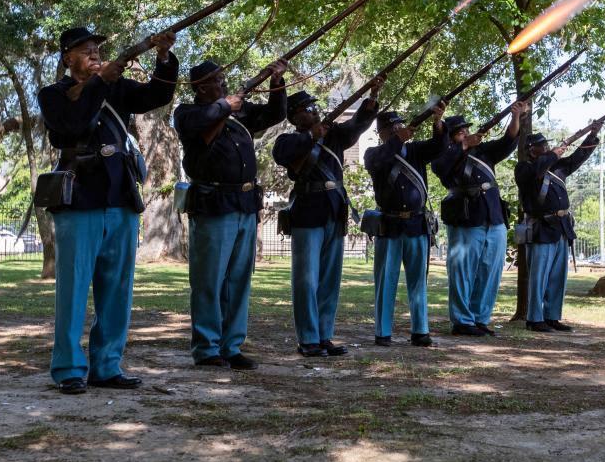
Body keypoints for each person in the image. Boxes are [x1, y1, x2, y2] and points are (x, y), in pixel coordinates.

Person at [37, 26, 178, 394]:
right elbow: (73, 122)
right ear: (68, 58)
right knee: (73, 290)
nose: (95, 54)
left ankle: (107, 364)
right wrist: (101, 82)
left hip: (119, 197)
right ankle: (68, 367)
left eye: (98, 48)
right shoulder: (52, 94)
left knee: (117, 289)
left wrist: (163, 57)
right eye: (86, 50)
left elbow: (157, 94)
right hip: (79, 197)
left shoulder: (118, 87)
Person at [174, 59, 288, 369]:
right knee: (209, 280)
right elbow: (201, 123)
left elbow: (275, 114)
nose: (224, 84)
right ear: (201, 87)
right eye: (218, 81)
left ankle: (231, 345)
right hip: (213, 203)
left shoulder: (237, 112)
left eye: (224, 80)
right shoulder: (187, 113)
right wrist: (227, 105)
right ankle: (207, 348)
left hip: (245, 204)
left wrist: (277, 82)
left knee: (239, 280)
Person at [272, 79, 382, 357]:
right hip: (308, 211)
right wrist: (311, 136)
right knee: (306, 279)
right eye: (308, 108)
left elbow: (356, 126)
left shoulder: (333, 135)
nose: (314, 111)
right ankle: (307, 338)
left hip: (335, 209)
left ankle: (324, 335)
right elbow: (281, 154)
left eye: (314, 107)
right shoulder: (290, 140)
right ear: (297, 116)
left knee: (330, 279)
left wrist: (372, 96)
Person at [432, 103, 528, 336]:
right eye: (459, 132)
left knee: (490, 271)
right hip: (466, 217)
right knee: (462, 271)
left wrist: (516, 116)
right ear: (451, 137)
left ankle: (480, 318)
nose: (465, 133)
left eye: (466, 130)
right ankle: (462, 321)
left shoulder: (484, 152)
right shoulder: (444, 155)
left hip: (493, 215)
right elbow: (440, 168)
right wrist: (464, 145)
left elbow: (509, 140)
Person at [363, 105, 445, 347]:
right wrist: (397, 141)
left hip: (417, 223)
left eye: (400, 125)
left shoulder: (416, 150)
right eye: (392, 127)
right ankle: (383, 332)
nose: (398, 129)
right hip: (389, 225)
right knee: (385, 281)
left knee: (418, 281)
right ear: (382, 133)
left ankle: (420, 330)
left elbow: (439, 146)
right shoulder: (373, 153)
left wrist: (438, 121)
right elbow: (379, 162)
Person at [515, 126, 601, 332]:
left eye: (546, 144)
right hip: (540, 228)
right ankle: (534, 319)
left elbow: (578, 158)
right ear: (530, 150)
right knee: (539, 277)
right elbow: (537, 171)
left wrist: (592, 135)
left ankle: (552, 316)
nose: (545, 147)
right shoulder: (524, 168)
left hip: (561, 227)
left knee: (557, 277)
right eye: (541, 146)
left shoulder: (557, 167)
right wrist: (553, 153)